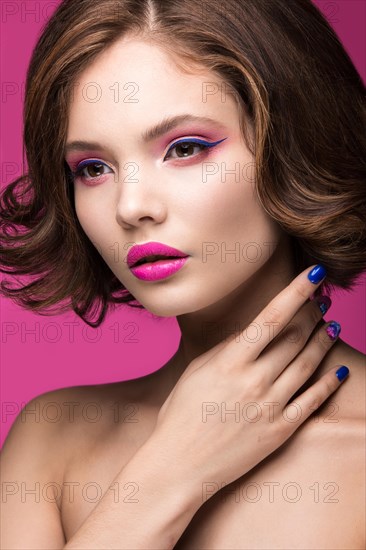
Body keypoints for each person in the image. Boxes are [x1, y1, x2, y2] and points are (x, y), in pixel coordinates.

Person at [0, 0, 365, 548]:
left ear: (294, 142)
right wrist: (169, 476)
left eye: (185, 148)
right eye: (93, 168)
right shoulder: (53, 439)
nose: (130, 206)